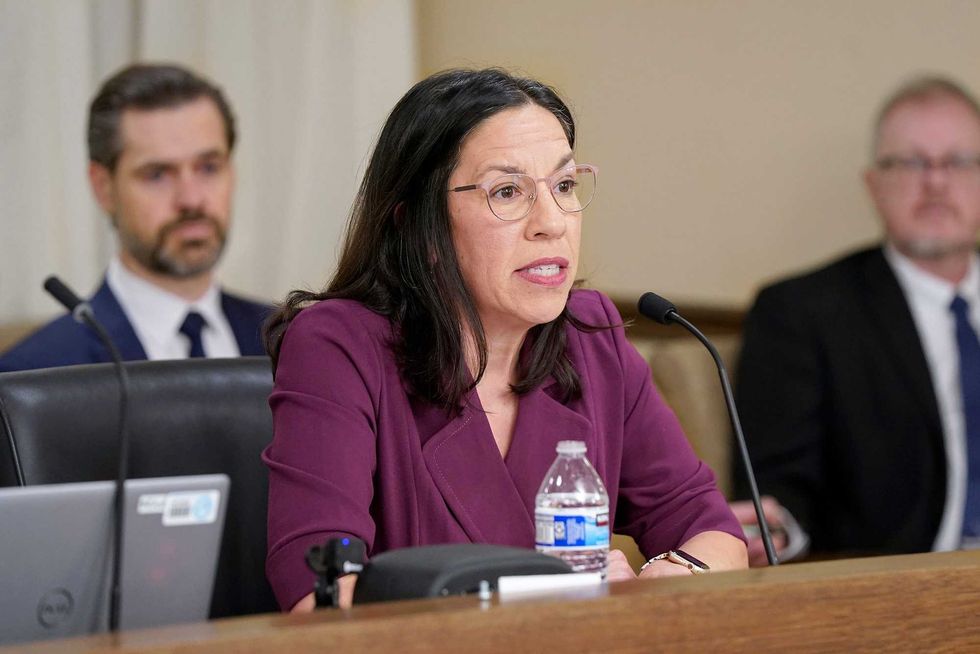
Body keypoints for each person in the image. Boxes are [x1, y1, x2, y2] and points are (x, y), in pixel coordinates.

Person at [262, 68, 747, 612]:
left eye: (564, 186)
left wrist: (652, 583)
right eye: (508, 191)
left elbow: (715, 534)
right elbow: (320, 598)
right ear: (420, 227)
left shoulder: (592, 339)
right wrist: (562, 596)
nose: (552, 222)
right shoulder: (338, 346)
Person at [733, 75, 980, 564]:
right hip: (899, 590)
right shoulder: (801, 312)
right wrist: (779, 532)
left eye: (958, 162)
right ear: (874, 185)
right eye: (910, 163)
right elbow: (779, 494)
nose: (935, 182)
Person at [0, 63, 269, 372]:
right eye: (157, 175)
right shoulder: (30, 375)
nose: (191, 199)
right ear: (104, 189)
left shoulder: (293, 339)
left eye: (209, 167)